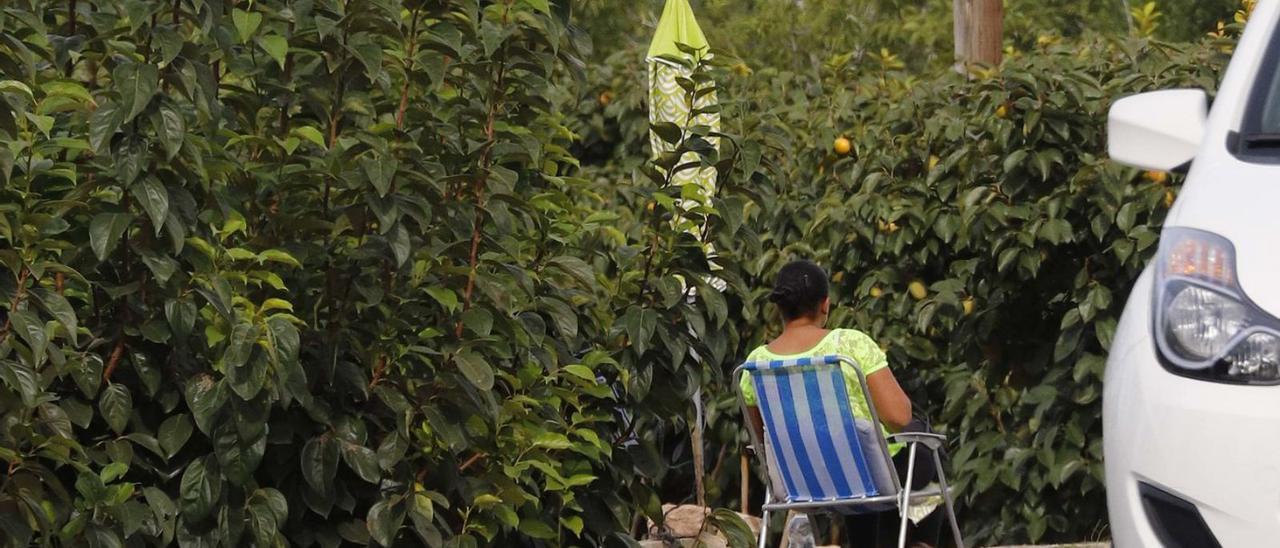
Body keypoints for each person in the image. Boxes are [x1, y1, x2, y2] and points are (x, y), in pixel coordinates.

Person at [740, 259, 942, 548]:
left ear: (779, 307)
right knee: (922, 447)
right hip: (868, 478)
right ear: (825, 305)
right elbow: (898, 417)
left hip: (802, 482)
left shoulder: (756, 363)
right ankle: (918, 543)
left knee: (858, 463)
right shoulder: (849, 344)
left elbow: (762, 438)